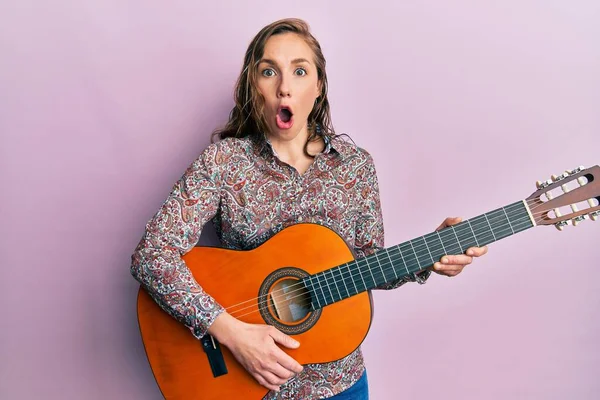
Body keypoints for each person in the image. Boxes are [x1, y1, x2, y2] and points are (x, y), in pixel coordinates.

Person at [130, 17, 488, 400]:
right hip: (248, 386)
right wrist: (231, 333)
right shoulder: (223, 162)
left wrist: (429, 255)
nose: (285, 86)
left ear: (318, 86)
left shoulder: (355, 166)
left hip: (340, 384)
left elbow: (366, 264)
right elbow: (152, 255)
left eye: (299, 71)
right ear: (254, 86)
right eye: (269, 71)